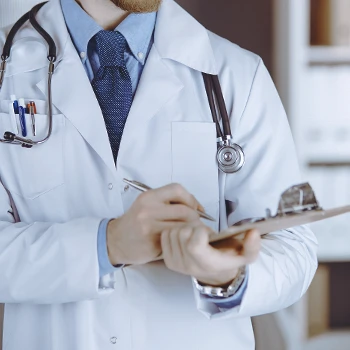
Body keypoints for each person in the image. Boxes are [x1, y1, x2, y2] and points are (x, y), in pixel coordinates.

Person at [0, 0, 318, 349]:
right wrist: (106, 245)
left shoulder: (238, 74)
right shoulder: (8, 70)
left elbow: (295, 246)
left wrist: (227, 276)